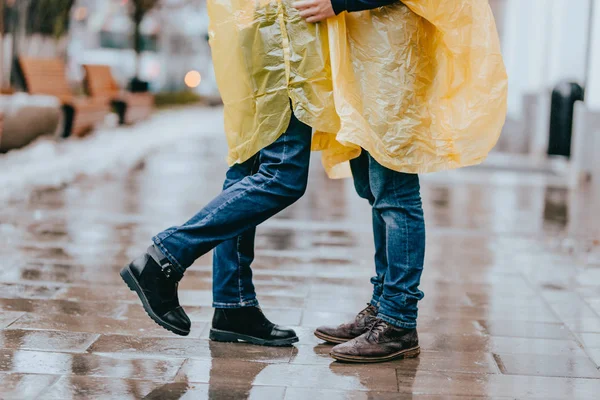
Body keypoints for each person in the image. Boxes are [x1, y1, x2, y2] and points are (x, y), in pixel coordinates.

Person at [121, 0, 507, 363]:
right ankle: (380, 310)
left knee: (389, 193)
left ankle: (396, 318)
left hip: (384, 60)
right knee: (363, 189)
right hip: (337, 52)